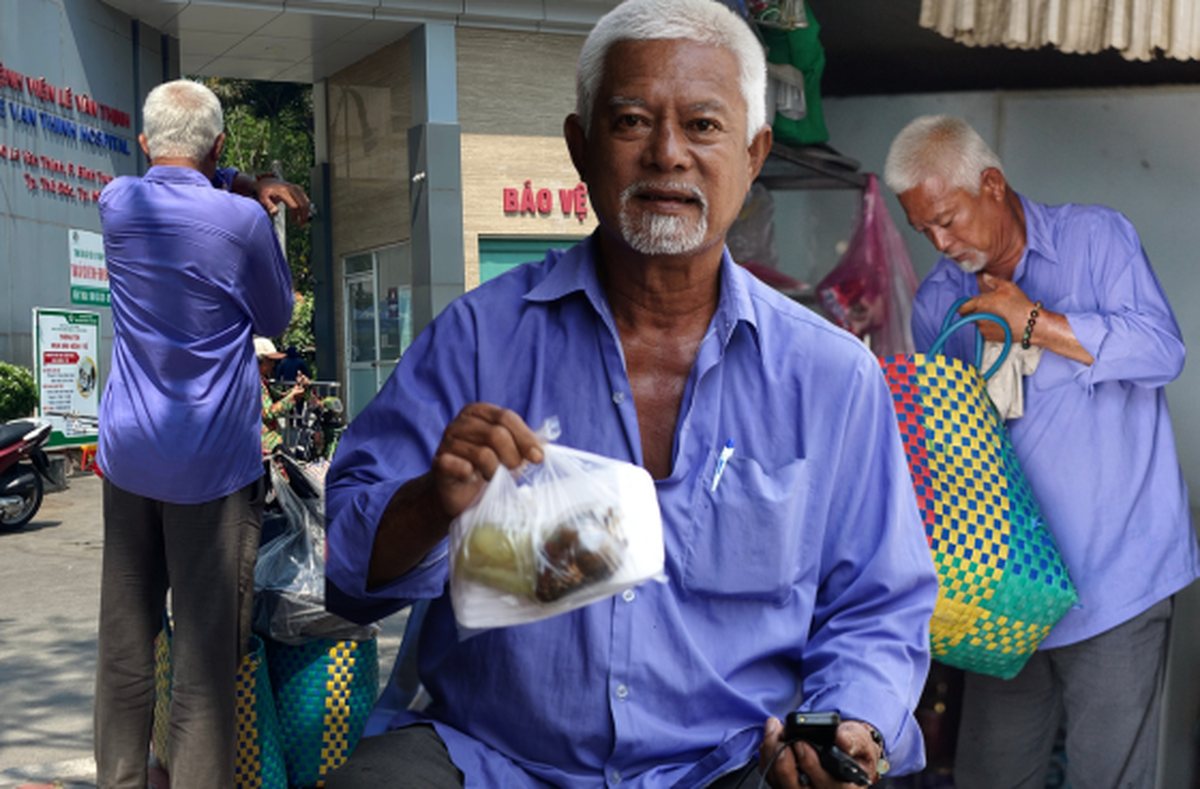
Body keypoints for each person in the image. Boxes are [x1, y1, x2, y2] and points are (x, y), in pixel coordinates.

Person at [323, 2, 938, 787]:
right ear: (581, 147)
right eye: (632, 121)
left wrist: (848, 718)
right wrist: (431, 502)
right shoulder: (477, 339)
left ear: (753, 155)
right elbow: (343, 574)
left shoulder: (831, 376)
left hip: (733, 764)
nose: (668, 154)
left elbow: (877, 605)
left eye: (704, 125)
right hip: (496, 758)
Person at [883, 114, 1200, 789]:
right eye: (924, 230)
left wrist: (1035, 321)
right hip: (1006, 591)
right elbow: (948, 453)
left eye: (948, 218)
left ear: (991, 184)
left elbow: (1161, 351)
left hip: (1116, 580)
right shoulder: (942, 302)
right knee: (992, 776)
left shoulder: (1097, 239)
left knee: (1106, 779)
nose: (941, 242)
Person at [95, 79, 294, 789]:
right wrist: (250, 186)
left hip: (128, 459)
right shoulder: (239, 223)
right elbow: (275, 319)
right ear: (220, 147)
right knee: (204, 663)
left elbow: (178, 162)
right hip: (212, 468)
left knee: (125, 645)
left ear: (145, 144)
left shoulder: (118, 204)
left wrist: (228, 173)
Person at [257, 336, 315, 455]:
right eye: (270, 360)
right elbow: (268, 413)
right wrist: (292, 397)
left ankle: (294, 424)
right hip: (263, 447)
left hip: (270, 444)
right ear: (258, 361)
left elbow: (279, 397)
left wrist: (297, 389)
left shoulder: (262, 381)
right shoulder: (252, 383)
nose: (273, 364)